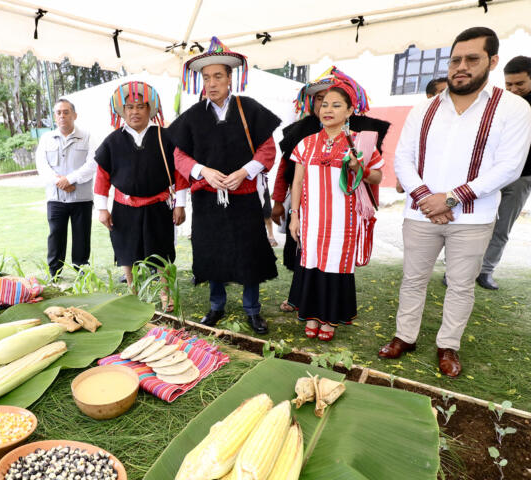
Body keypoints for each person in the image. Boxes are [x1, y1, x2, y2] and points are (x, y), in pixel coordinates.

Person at [379, 27, 531, 377]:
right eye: (455, 60)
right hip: (421, 214)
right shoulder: (425, 108)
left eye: (472, 59)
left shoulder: (513, 108)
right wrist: (424, 198)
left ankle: (448, 346)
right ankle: (405, 337)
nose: (461, 67)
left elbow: (509, 166)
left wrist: (449, 198)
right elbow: (403, 158)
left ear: (492, 61)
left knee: (461, 284)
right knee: (412, 279)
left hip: (474, 217)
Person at [172, 37, 280, 334]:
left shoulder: (249, 109)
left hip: (244, 198)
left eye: (218, 76)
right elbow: (179, 155)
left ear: (230, 78)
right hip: (208, 201)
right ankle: (216, 306)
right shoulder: (193, 116)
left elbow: (267, 150)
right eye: (206, 77)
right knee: (213, 252)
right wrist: (202, 170)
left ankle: (252, 309)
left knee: (249, 254)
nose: (211, 83)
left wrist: (245, 172)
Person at [272, 68, 390, 313]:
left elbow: (377, 176)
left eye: (336, 105)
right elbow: (296, 181)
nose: (327, 109)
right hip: (311, 220)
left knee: (336, 264)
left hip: (343, 221)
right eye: (323, 103)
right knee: (309, 262)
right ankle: (310, 314)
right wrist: (294, 215)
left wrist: (362, 168)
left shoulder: (360, 141)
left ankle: (329, 317)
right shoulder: (305, 142)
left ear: (349, 111)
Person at [94, 81, 188, 312]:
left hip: (159, 205)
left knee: (162, 251)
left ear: (150, 109)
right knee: (127, 251)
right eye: (130, 107)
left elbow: (180, 173)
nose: (135, 111)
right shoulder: (112, 141)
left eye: (140, 106)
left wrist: (181, 204)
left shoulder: (166, 137)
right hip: (124, 207)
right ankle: (132, 293)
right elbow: (102, 177)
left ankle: (167, 294)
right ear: (123, 111)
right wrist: (102, 208)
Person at [476, 56, 531, 289]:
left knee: (502, 226)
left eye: (520, 84)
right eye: (509, 84)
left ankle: (486, 271)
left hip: (522, 178)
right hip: (491, 174)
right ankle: (458, 269)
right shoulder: (502, 104)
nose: (513, 89)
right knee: (476, 221)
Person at [35, 99, 96, 277]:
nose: (62, 116)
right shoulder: (46, 139)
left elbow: (92, 164)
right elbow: (42, 166)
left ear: (74, 115)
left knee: (82, 236)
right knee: (55, 235)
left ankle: (82, 270)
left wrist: (70, 179)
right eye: (58, 112)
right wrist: (59, 182)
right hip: (56, 198)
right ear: (55, 117)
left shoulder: (88, 137)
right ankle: (54, 273)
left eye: (66, 112)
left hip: (81, 198)